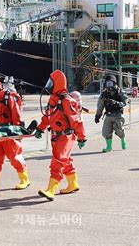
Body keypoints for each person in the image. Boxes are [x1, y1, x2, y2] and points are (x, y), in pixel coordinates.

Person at [35, 70, 87, 201]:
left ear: (57, 83)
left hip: (65, 137)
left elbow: (76, 121)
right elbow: (48, 117)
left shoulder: (66, 101)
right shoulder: (54, 100)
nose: (49, 85)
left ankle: (51, 190)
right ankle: (72, 184)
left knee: (58, 161)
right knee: (66, 160)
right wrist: (40, 129)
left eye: (51, 82)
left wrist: (82, 137)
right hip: (56, 136)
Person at [94, 74, 128, 152]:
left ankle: (123, 140)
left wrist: (116, 103)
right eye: (107, 83)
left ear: (114, 83)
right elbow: (100, 105)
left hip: (118, 115)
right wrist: (97, 116)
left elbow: (125, 102)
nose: (109, 85)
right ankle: (109, 147)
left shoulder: (120, 92)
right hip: (108, 115)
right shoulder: (104, 94)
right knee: (106, 132)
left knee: (119, 130)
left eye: (110, 83)